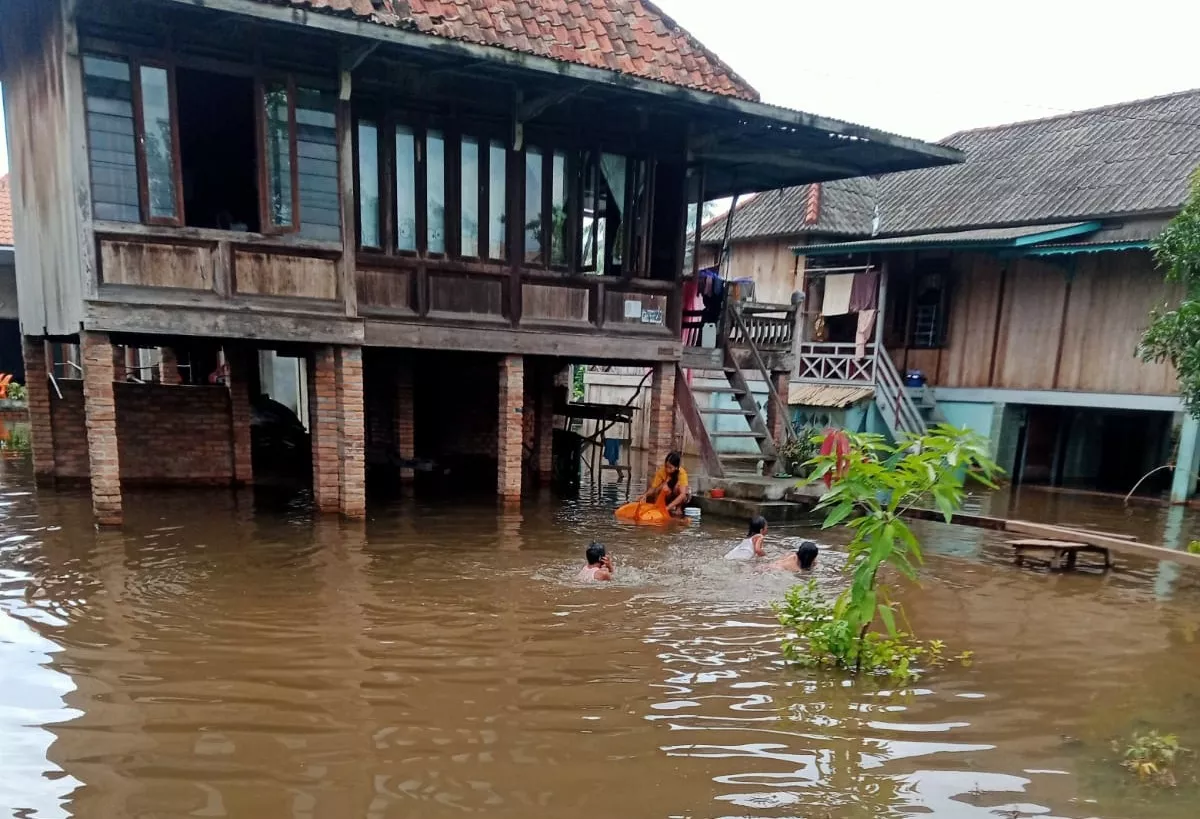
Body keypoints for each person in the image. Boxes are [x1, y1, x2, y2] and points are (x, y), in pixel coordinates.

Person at [643, 451, 691, 517]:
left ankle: (678, 508)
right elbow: (653, 488)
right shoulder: (661, 471)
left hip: (680, 497)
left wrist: (667, 508)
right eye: (666, 466)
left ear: (676, 467)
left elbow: (683, 495)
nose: (667, 470)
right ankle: (662, 505)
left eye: (670, 468)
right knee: (663, 487)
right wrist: (645, 495)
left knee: (678, 487)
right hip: (668, 496)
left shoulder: (682, 473)